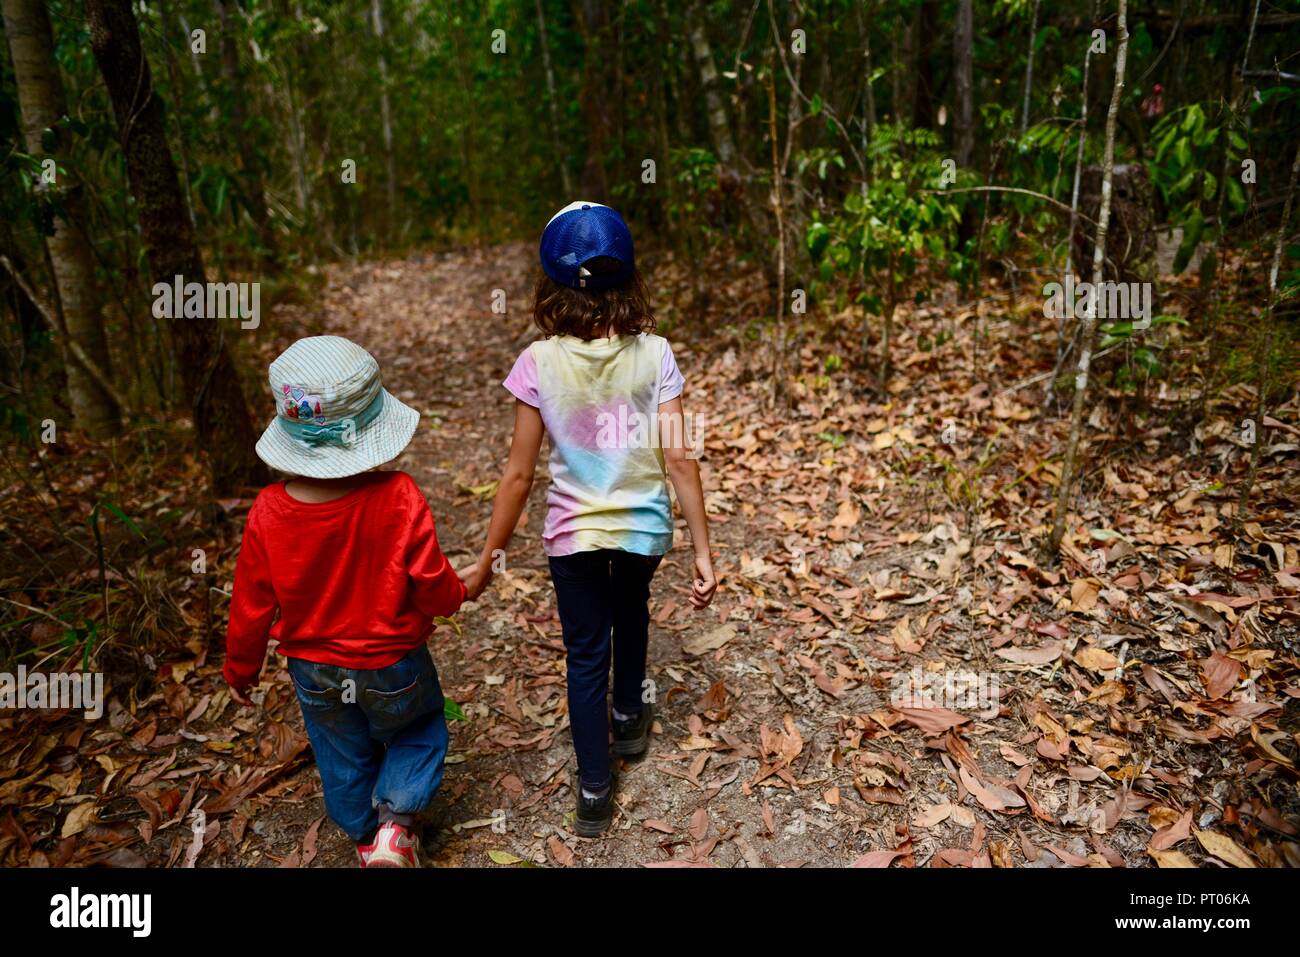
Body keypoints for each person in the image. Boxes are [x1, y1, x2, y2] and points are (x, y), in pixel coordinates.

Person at [459, 202, 717, 837]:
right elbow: (681, 458)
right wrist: (705, 550)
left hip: (572, 535)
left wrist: (489, 556)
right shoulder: (655, 354)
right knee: (631, 610)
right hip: (641, 529)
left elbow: (518, 474)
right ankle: (629, 717)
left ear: (549, 284)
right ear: (629, 276)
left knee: (583, 653)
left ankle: (594, 790)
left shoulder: (538, 363)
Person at [224, 335, 465, 867]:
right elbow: (431, 583)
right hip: (392, 659)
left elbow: (251, 605)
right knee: (417, 727)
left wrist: (240, 669)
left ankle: (362, 835)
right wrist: (457, 594)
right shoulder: (398, 495)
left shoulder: (267, 510)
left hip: (313, 668)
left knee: (340, 748)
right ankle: (395, 827)